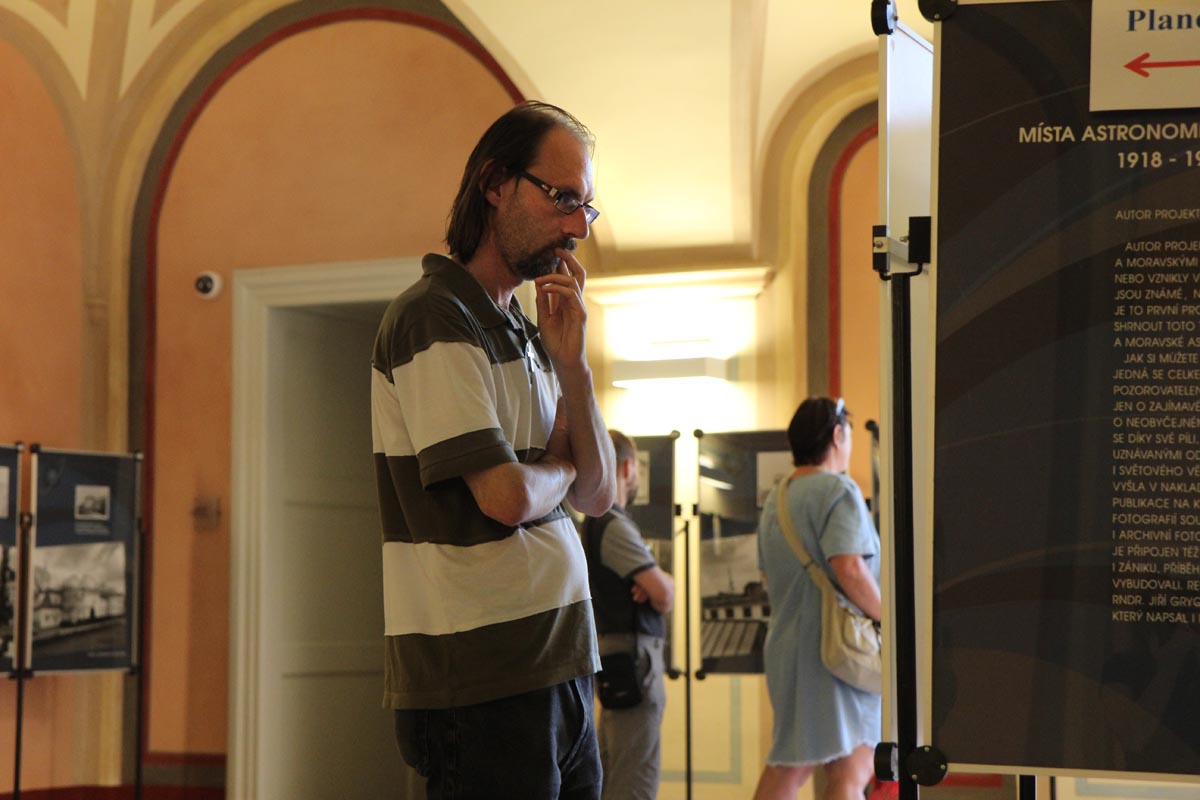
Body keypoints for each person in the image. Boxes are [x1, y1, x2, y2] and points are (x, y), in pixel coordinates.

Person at [370, 100, 616, 799]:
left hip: (563, 662)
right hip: (484, 678)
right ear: (496, 183)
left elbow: (599, 494)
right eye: (562, 198)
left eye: (586, 208)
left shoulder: (528, 329)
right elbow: (506, 497)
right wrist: (559, 466)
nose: (577, 228)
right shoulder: (435, 315)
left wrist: (574, 367)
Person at [752, 397, 883, 800]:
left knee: (793, 764)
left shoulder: (778, 497)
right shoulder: (837, 489)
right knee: (850, 768)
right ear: (837, 435)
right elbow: (850, 568)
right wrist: (888, 620)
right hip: (835, 650)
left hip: (789, 648)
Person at [582, 430, 674, 800]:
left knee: (614, 775)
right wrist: (659, 581)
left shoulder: (592, 523)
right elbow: (664, 595)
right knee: (635, 782)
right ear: (627, 468)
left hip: (616, 659)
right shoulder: (615, 525)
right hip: (635, 662)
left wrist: (653, 581)